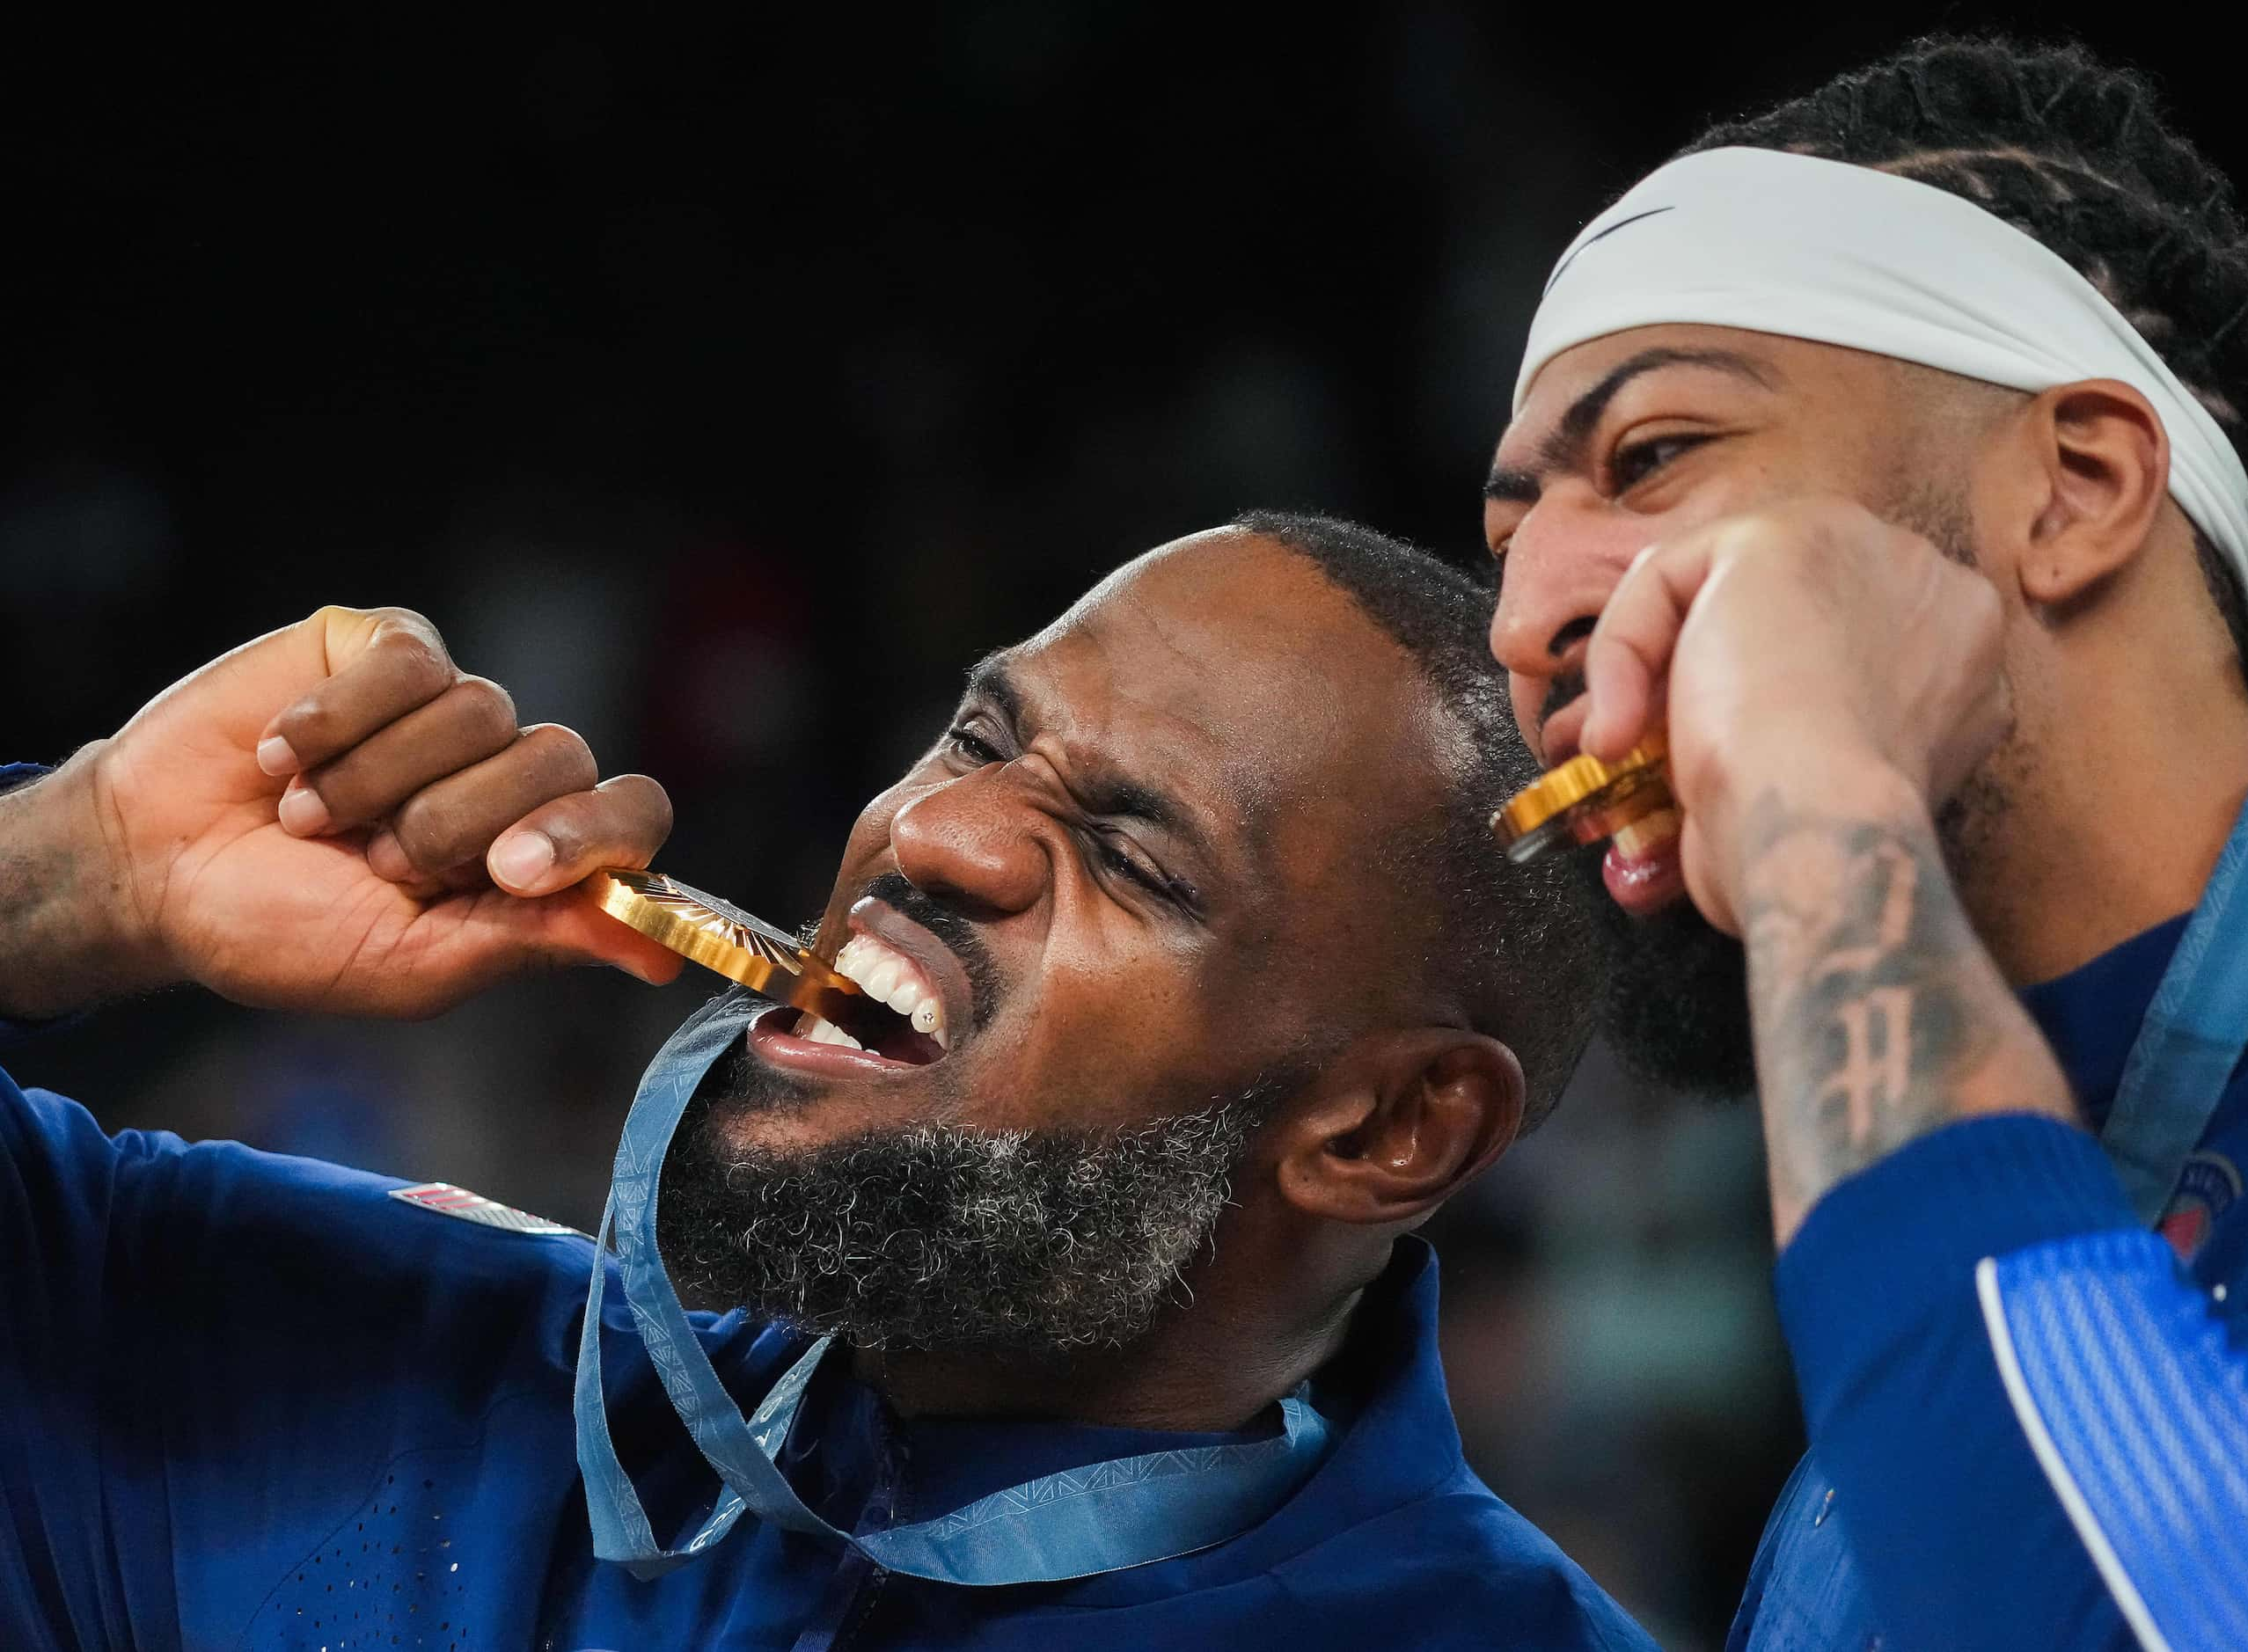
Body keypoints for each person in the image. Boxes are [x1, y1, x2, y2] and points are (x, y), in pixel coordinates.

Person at [0, 513, 1657, 1650]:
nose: (924, 832)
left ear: (1386, 1124)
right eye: (975, 736)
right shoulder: (384, 1389)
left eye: (1132, 858)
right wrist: (73, 879)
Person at [1483, 35, 2248, 1651]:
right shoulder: (1837, 1481)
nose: (1522, 622)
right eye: (1508, 546)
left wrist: (1818, 793)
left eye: (1651, 456)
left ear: (2076, 487)